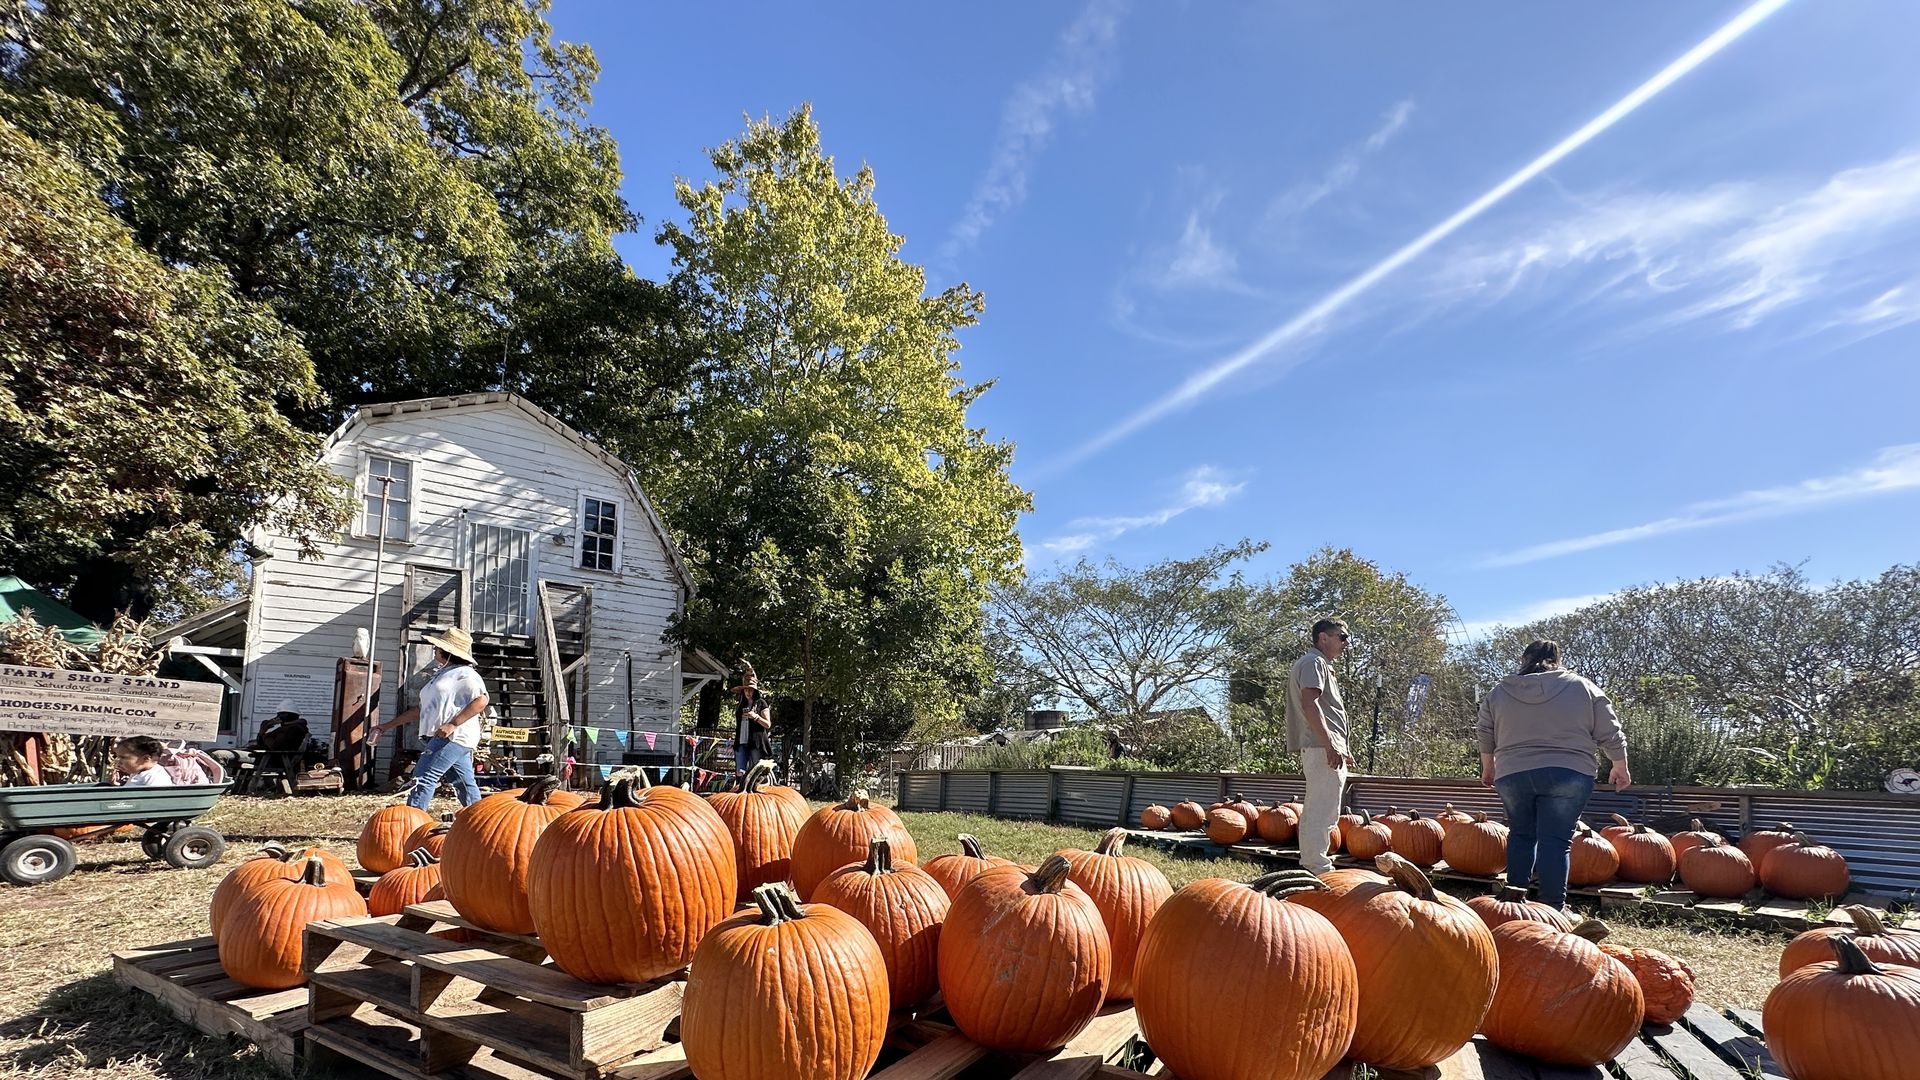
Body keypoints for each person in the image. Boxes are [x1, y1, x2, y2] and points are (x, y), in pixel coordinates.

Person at [1478, 638, 1631, 910]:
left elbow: (1485, 732)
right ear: (1558, 660)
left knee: (1521, 835)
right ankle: (1552, 908)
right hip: (1569, 772)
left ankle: (1514, 904)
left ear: (1523, 660)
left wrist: (1488, 768)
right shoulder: (1582, 687)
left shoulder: (1499, 692)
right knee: (1556, 841)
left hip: (1514, 773)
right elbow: (1609, 729)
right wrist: (1620, 764)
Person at [372, 627, 488, 809]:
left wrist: (452, 724)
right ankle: (479, 821)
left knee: (422, 777)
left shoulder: (466, 674)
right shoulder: (441, 674)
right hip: (441, 737)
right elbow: (421, 710)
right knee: (463, 783)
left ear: (448, 651)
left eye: (437, 646)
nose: (434, 649)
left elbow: (482, 700)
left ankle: (413, 824)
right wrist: (387, 726)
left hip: (451, 738)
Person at [1285, 618, 1352, 876]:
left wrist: (1342, 748)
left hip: (1325, 747)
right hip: (1321, 747)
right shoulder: (1313, 663)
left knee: (1324, 807)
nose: (1345, 643)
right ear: (1323, 637)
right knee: (1321, 809)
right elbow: (1310, 705)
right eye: (1342, 637)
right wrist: (1330, 745)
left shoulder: (1319, 664)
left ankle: (1316, 865)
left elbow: (1325, 710)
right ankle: (1316, 869)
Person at [211, 701, 310, 779]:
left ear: (288, 715)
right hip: (262, 755)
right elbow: (262, 742)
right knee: (210, 752)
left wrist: (264, 734)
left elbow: (275, 746)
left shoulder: (295, 729)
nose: (279, 717)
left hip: (270, 759)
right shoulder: (286, 728)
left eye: (281, 714)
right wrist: (262, 731)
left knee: (219, 755)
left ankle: (216, 784)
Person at [733, 661, 772, 780]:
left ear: (755, 691)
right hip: (741, 741)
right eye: (746, 690)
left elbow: (767, 724)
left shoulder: (761, 703)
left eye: (751, 690)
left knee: (756, 771)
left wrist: (755, 716)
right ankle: (741, 791)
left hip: (756, 742)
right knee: (740, 771)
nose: (748, 693)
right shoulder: (740, 705)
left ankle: (756, 791)